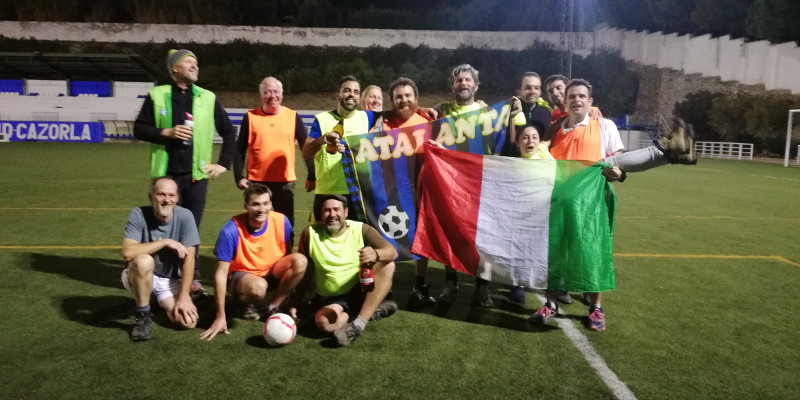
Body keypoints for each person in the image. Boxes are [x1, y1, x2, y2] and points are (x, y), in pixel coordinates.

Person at [411, 64, 523, 310]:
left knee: (483, 237)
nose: (463, 83)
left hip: (480, 183)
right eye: (458, 80)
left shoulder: (487, 111)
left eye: (467, 79)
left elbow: (510, 142)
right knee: (452, 235)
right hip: (450, 183)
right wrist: (420, 110)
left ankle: (482, 288)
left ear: (476, 85)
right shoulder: (441, 110)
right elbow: (416, 119)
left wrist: (512, 115)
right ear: (453, 86)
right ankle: (451, 283)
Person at [133, 49, 237, 298]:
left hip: (195, 178)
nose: (195, 66)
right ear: (174, 68)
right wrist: (165, 133)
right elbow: (139, 128)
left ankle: (193, 279)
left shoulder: (207, 97)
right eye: (189, 62)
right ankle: (163, 276)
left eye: (196, 62)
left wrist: (223, 163)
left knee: (191, 229)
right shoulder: (158, 95)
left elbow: (229, 132)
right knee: (163, 229)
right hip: (165, 177)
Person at [200, 183, 307, 341]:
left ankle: (272, 306)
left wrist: (292, 293)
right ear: (246, 206)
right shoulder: (230, 231)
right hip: (243, 277)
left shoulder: (281, 221)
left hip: (271, 271)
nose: (261, 209)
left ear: (271, 204)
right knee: (259, 288)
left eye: (265, 203)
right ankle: (241, 301)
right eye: (255, 204)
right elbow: (220, 275)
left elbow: (287, 254)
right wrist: (220, 315)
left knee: (300, 260)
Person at [295, 194, 399, 346]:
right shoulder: (309, 234)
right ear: (321, 213)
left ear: (346, 212)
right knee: (324, 323)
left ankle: (357, 326)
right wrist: (295, 302)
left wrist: (376, 254)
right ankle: (369, 311)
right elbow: (306, 271)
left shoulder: (362, 229)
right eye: (327, 210)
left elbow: (392, 252)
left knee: (388, 264)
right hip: (333, 298)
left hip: (361, 288)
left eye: (336, 209)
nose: (332, 215)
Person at [121, 176, 201, 341]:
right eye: (161, 194)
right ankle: (143, 315)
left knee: (188, 322)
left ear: (177, 198)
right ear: (151, 197)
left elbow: (189, 260)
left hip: (168, 279)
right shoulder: (138, 214)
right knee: (144, 261)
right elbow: (128, 253)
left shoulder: (185, 216)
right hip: (138, 272)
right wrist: (165, 242)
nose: (167, 200)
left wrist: (184, 297)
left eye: (171, 195)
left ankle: (155, 300)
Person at [233, 77, 308, 228]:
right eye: (267, 92)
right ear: (261, 95)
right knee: (255, 223)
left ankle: (286, 251)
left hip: (284, 181)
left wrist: (312, 174)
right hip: (256, 181)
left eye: (275, 91)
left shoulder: (293, 117)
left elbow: (307, 147)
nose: (272, 96)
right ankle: (255, 251)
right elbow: (239, 149)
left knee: (286, 225)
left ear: (282, 94)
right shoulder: (250, 117)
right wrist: (238, 176)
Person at [302, 75, 378, 221]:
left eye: (356, 92)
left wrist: (419, 108)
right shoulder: (322, 119)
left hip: (357, 193)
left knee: (357, 241)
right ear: (338, 95)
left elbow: (397, 115)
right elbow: (306, 152)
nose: (351, 95)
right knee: (324, 240)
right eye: (347, 91)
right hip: (327, 192)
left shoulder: (367, 117)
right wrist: (321, 140)